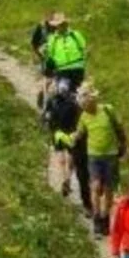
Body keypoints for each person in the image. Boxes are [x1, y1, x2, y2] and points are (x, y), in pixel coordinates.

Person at [57, 86, 127, 236]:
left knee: (108, 190)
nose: (84, 108)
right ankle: (96, 218)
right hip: (93, 156)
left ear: (92, 100)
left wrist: (125, 145)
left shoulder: (108, 110)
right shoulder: (84, 116)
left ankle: (105, 218)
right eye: (82, 105)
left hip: (111, 156)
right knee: (95, 186)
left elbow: (119, 127)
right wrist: (67, 138)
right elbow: (79, 133)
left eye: (85, 104)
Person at [45, 75, 91, 214]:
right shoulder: (73, 103)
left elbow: (47, 117)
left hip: (58, 133)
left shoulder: (52, 101)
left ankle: (64, 178)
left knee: (60, 157)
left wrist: (50, 127)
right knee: (70, 156)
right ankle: (68, 177)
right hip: (71, 133)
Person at [42, 12, 87, 91]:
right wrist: (48, 69)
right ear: (56, 26)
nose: (62, 26)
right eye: (60, 25)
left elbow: (83, 48)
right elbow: (50, 56)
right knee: (63, 90)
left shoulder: (75, 35)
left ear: (66, 24)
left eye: (63, 24)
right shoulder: (53, 39)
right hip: (62, 70)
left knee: (79, 92)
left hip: (78, 69)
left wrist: (83, 62)